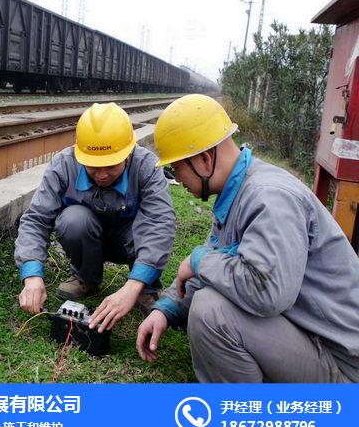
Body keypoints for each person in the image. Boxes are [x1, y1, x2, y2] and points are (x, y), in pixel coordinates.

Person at [137, 94, 359, 382]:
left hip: (342, 365)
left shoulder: (269, 198)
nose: (178, 180)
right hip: (310, 337)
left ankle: (248, 418)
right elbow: (217, 261)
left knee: (210, 312)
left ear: (204, 160)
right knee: (212, 289)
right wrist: (166, 310)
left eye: (178, 168)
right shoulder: (242, 190)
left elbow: (267, 291)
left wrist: (199, 260)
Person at [15, 102, 175, 332]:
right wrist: (31, 276)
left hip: (129, 240)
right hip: (87, 238)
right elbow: (36, 218)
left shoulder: (146, 167)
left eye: (110, 165)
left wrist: (132, 286)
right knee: (72, 220)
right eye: (92, 166)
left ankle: (144, 287)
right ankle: (86, 278)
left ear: (128, 154)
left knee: (147, 225)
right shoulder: (63, 165)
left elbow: (160, 223)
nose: (101, 175)